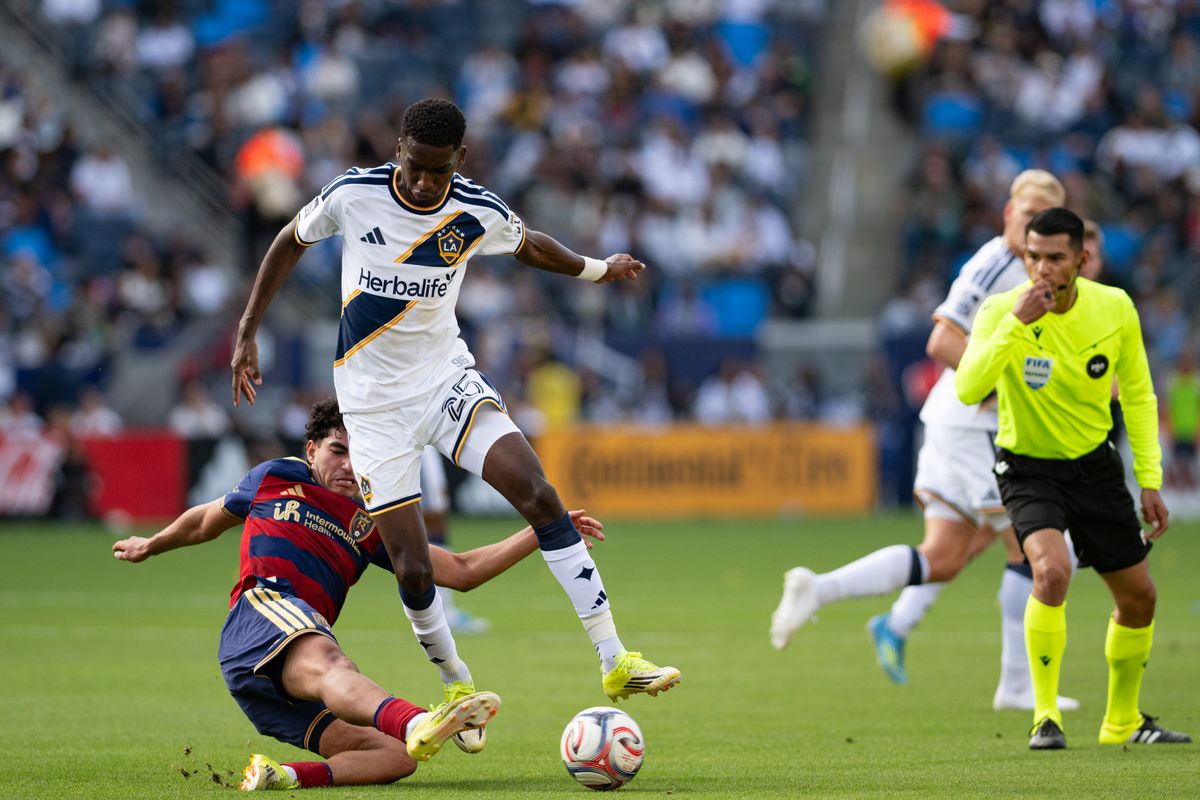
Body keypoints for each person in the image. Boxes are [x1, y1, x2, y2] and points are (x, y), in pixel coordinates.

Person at [230, 97, 678, 704]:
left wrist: (598, 270)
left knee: (539, 493)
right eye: (413, 166)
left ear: (459, 160)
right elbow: (289, 240)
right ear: (398, 151)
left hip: (446, 384)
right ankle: (457, 688)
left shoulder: (476, 209)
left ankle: (614, 657)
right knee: (414, 568)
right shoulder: (353, 196)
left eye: (437, 171)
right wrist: (248, 329)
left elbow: (533, 246)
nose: (422, 181)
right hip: (373, 412)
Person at [112, 399, 607, 789]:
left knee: (395, 758)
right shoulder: (275, 477)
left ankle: (281, 777)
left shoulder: (373, 523)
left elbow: (460, 570)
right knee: (333, 661)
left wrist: (544, 528)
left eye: (360, 453)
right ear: (311, 450)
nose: (350, 465)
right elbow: (204, 520)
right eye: (337, 450)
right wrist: (151, 544)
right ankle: (418, 719)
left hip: (272, 681)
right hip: (261, 615)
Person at [770, 170, 1077, 711]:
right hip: (970, 426)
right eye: (1025, 214)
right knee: (1034, 544)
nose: (1032, 227)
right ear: (1007, 211)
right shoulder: (994, 264)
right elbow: (942, 341)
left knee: (945, 557)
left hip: (966, 426)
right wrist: (1007, 388)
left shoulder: (1027, 267)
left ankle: (819, 589)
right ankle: (1016, 685)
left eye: (1043, 220)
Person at [956, 207, 1190, 749]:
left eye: (1055, 258)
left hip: (1095, 467)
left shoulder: (1114, 309)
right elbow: (968, 388)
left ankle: (1123, 722)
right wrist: (1017, 324)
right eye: (1032, 256)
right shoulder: (999, 311)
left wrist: (1149, 481)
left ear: (1081, 260)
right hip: (1027, 467)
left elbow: (1138, 394)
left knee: (1140, 600)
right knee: (1052, 571)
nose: (1041, 269)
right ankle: (1044, 717)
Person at [420, 445, 491, 634]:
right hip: (410, 434)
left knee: (435, 516)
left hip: (419, 436)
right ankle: (441, 613)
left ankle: (441, 611)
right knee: (433, 515)